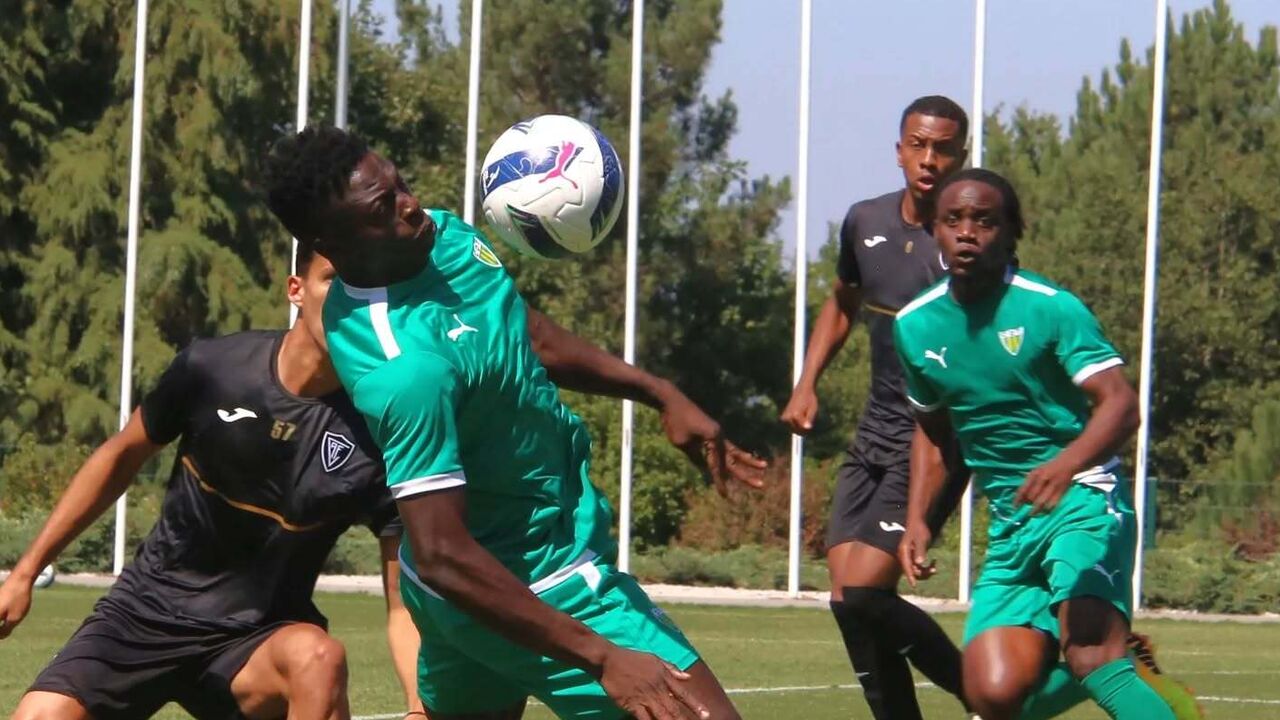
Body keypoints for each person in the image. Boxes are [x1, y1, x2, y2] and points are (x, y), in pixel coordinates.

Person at [264, 125, 768, 720]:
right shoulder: (402, 370)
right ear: (330, 240)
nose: (411, 205)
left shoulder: (442, 239)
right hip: (527, 580)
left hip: (468, 587)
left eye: (400, 184)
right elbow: (444, 551)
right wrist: (604, 657)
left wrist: (658, 392)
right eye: (384, 207)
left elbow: (521, 330)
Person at [0, 248, 424, 720]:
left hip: (255, 641)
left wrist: (418, 709)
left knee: (318, 659)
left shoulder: (383, 429)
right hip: (144, 614)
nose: (349, 297)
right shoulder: (214, 368)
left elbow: (403, 603)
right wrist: (24, 575)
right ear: (296, 290)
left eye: (362, 284)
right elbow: (119, 457)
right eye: (332, 280)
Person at [894, 167, 1202, 720]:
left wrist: (1065, 465)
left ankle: (1112, 661)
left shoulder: (1051, 307)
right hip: (1012, 522)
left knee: (1089, 651)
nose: (968, 232)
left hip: (1083, 497)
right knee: (992, 695)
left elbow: (1120, 403)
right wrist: (919, 518)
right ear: (934, 231)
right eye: (954, 220)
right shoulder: (916, 326)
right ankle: (1125, 662)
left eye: (985, 221)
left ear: (1013, 232)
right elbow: (934, 433)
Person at [779, 94, 971, 718]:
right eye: (918, 144)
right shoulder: (865, 221)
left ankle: (990, 694)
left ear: (960, 156)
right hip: (874, 430)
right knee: (846, 597)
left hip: (936, 440)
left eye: (943, 147)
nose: (929, 158)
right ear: (899, 150)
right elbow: (841, 303)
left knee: (864, 592)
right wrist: (807, 382)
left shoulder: (969, 245)